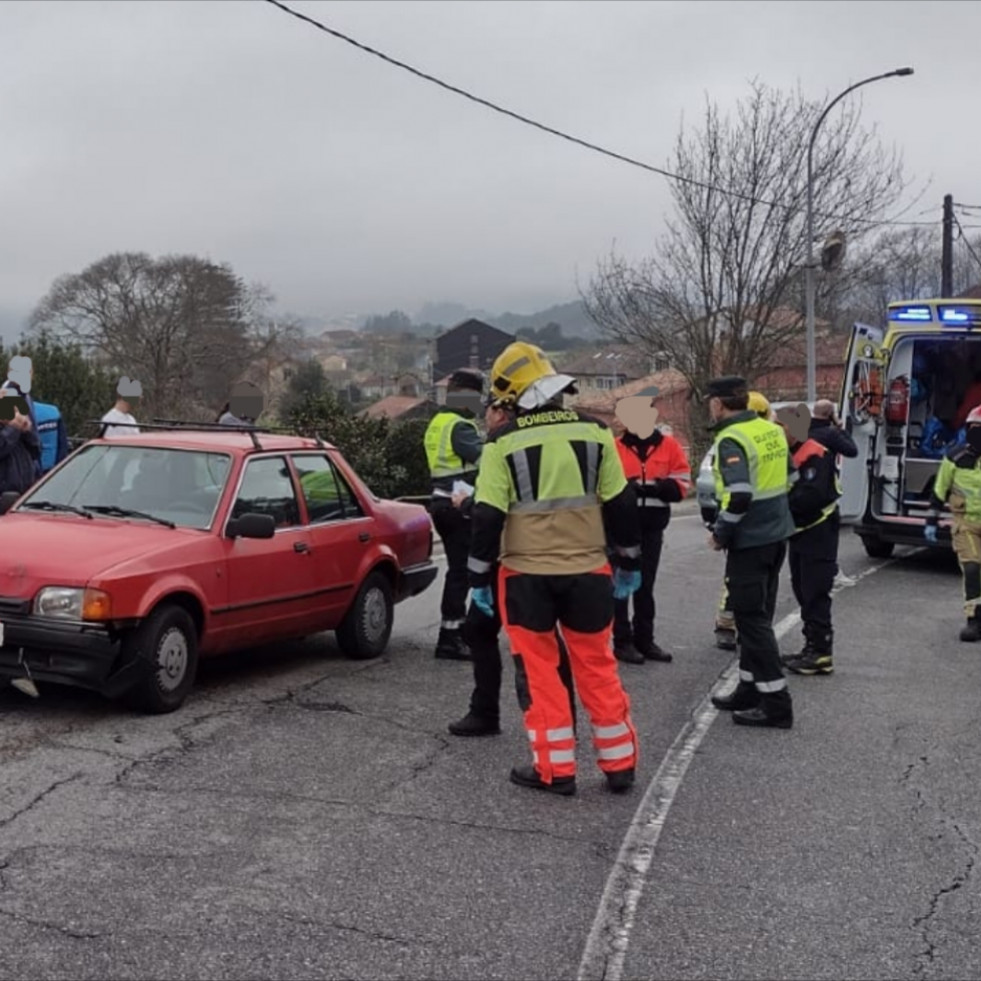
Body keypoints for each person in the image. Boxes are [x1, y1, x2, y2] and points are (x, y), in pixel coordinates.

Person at [468, 341, 642, 795]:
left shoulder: (501, 444)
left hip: (525, 577)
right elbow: (621, 502)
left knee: (540, 672)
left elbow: (487, 516)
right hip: (589, 571)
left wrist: (478, 579)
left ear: (512, 399)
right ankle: (619, 763)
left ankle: (555, 770)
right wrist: (629, 561)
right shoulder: (597, 434)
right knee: (598, 665)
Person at [448, 393, 576, 737]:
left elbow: (493, 510)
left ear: (501, 412)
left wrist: (465, 507)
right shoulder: (542, 443)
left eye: (488, 410)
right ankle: (492, 711)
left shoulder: (503, 445)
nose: (485, 418)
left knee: (533, 645)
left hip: (513, 559)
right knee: (498, 633)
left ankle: (547, 726)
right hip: (537, 555)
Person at [706, 376, 796, 729]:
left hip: (750, 541)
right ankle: (748, 687)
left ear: (719, 403)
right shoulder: (771, 429)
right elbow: (790, 477)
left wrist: (721, 533)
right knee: (757, 615)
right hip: (776, 536)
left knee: (751, 621)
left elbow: (740, 494)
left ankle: (776, 703)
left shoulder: (731, 438)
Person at [612, 395, 691, 664]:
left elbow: (681, 485)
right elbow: (604, 487)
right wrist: (628, 489)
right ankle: (622, 642)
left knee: (645, 587)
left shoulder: (670, 446)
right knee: (621, 586)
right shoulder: (614, 448)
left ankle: (645, 640)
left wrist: (655, 487)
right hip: (621, 528)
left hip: (652, 528)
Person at [775, 404, 842, 676]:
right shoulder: (791, 452)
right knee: (802, 588)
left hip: (819, 529)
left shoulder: (815, 452)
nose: (779, 433)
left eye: (783, 428)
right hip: (801, 531)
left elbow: (810, 496)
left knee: (815, 592)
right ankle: (811, 647)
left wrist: (778, 506)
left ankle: (821, 652)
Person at [424, 369, 484, 661]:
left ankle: (456, 633)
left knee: (459, 571)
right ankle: (450, 637)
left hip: (440, 502)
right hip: (458, 504)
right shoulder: (461, 427)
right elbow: (486, 462)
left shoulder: (438, 421)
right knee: (462, 572)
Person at [714, 390, 773, 652]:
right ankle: (729, 625)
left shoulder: (738, 436)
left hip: (741, 518)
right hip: (751, 520)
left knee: (739, 580)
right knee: (744, 581)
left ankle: (735, 626)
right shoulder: (767, 435)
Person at [925, 405, 981, 641]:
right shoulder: (955, 457)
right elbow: (940, 488)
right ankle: (974, 619)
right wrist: (932, 518)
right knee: (972, 567)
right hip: (965, 522)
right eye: (975, 428)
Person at [3, 355, 40, 478]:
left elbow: (35, 444)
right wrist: (16, 427)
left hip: (27, 474)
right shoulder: (5, 397)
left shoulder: (26, 398)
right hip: (7, 480)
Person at [0, 391, 40, 495]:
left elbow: (35, 452)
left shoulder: (16, 432)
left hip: (25, 492)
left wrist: (28, 432)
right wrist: (13, 428)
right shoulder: (11, 431)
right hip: (4, 494)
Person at [33, 401, 70, 475]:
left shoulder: (18, 416)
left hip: (32, 472)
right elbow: (63, 444)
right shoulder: (53, 411)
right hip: (53, 471)